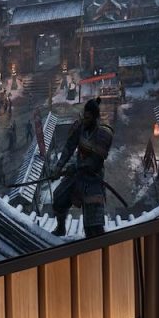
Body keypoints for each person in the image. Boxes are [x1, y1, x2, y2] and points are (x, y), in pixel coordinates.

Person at [49, 97, 114, 238]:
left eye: (88, 118)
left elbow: (95, 162)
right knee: (59, 197)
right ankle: (61, 228)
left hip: (93, 178)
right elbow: (69, 147)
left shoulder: (103, 133)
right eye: (84, 116)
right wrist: (58, 167)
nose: (85, 120)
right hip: (77, 175)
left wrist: (75, 167)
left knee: (93, 225)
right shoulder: (81, 126)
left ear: (95, 117)